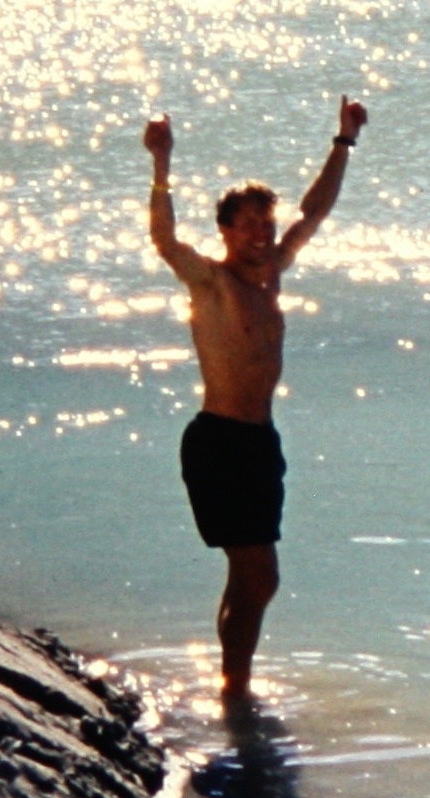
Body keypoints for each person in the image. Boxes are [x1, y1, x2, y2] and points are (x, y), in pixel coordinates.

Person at [141, 97, 368, 706]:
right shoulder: (212, 282)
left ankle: (231, 682)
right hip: (219, 441)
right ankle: (235, 691)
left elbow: (314, 213)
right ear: (225, 231)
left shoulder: (274, 275)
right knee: (258, 574)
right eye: (249, 226)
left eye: (267, 226)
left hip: (260, 442)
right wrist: (161, 163)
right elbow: (163, 238)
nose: (263, 236)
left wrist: (342, 141)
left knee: (252, 579)